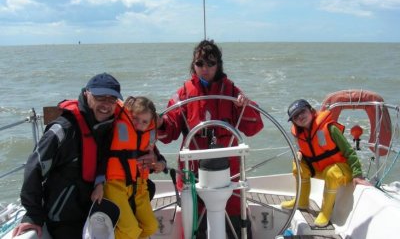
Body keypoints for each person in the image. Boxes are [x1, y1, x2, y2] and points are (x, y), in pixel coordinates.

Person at [157, 39, 264, 237]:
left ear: (218, 65)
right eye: (200, 63)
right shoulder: (183, 95)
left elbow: (254, 127)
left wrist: (245, 106)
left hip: (228, 174)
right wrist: (158, 122)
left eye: (210, 63)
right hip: (193, 175)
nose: (205, 68)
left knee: (236, 223)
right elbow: (169, 131)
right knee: (194, 227)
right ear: (193, 65)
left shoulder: (233, 92)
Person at [12, 73, 123, 238]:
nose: (106, 104)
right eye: (100, 97)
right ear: (87, 94)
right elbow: (34, 168)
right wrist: (33, 214)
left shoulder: (106, 126)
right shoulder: (63, 130)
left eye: (112, 99)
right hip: (62, 217)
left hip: (91, 211)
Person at [281, 99, 371, 227]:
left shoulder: (330, 128)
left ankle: (325, 212)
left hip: (341, 170)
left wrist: (357, 174)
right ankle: (301, 201)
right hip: (321, 169)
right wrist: (300, 154)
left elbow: (349, 151)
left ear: (311, 111)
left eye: (302, 112)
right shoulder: (298, 134)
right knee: (298, 165)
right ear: (293, 121)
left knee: (331, 173)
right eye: (295, 116)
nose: (300, 117)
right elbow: (305, 149)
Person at [90, 96, 165, 239]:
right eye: (136, 119)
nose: (139, 124)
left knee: (151, 226)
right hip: (115, 184)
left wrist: (160, 164)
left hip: (139, 186)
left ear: (150, 123)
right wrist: (99, 182)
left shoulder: (148, 135)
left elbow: (158, 157)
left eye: (144, 122)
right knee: (130, 230)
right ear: (130, 114)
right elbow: (103, 155)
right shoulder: (116, 126)